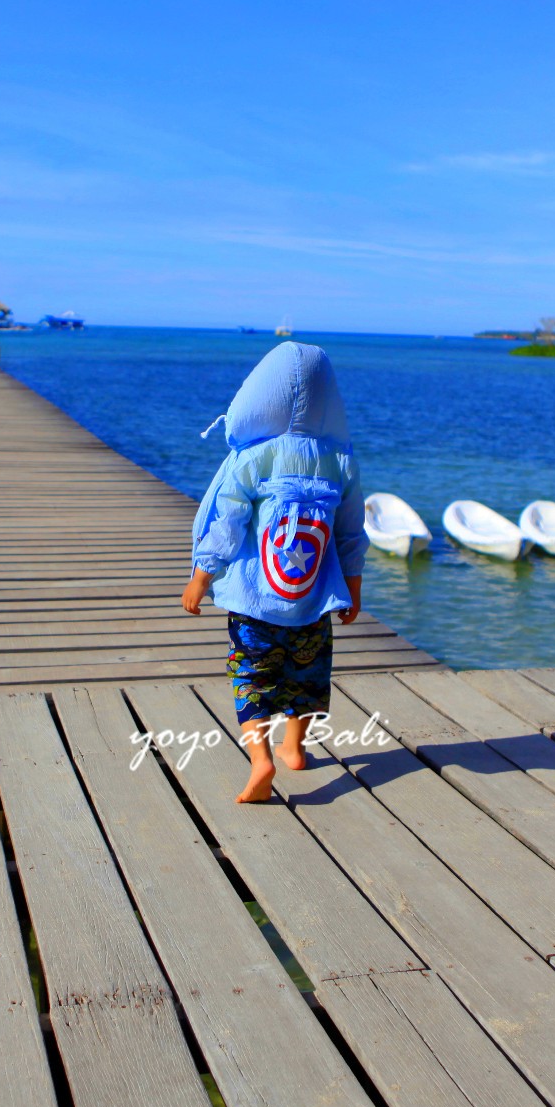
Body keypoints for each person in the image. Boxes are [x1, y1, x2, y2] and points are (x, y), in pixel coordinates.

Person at [180, 342, 364, 803]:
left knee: (252, 678)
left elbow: (228, 524)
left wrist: (203, 575)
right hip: (312, 602)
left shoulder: (253, 458)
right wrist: (354, 590)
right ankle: (295, 748)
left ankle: (261, 760)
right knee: (308, 674)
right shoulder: (340, 461)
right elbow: (351, 533)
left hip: (253, 601)